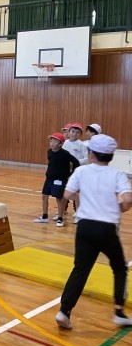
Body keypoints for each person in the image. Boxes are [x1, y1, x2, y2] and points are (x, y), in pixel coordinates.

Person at [55, 134, 132, 330]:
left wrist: (88, 196)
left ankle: (64, 311)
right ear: (111, 156)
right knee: (119, 268)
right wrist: (120, 207)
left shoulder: (81, 171)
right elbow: (127, 200)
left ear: (90, 154)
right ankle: (119, 312)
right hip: (107, 229)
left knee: (80, 269)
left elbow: (67, 194)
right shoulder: (117, 174)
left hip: (84, 227)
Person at [33, 133, 80, 227]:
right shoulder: (49, 152)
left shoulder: (65, 153)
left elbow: (76, 162)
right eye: (51, 141)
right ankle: (45, 216)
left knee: (59, 199)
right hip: (49, 178)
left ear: (60, 144)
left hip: (60, 180)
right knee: (44, 196)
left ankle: (60, 218)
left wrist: (70, 174)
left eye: (55, 141)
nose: (52, 143)